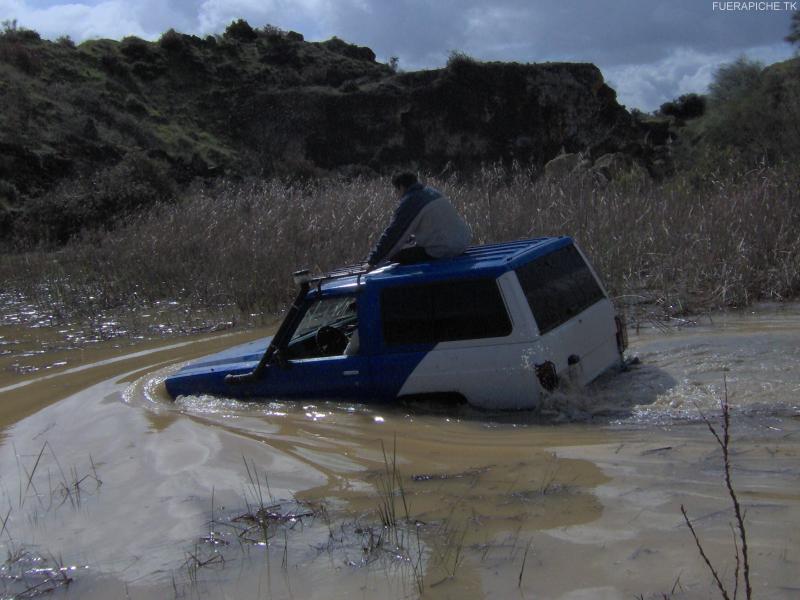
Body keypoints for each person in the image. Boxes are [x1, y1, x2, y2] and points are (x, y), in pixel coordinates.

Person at [366, 172, 471, 267]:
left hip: (443, 250)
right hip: (462, 244)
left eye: (396, 190)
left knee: (395, 255)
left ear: (401, 187)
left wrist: (372, 261)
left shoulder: (411, 201)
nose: (396, 195)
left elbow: (393, 234)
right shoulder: (433, 192)